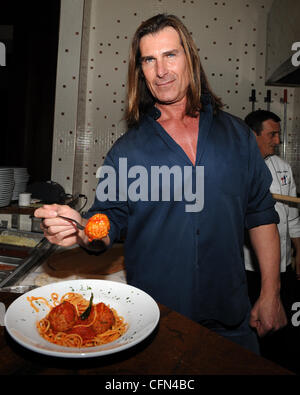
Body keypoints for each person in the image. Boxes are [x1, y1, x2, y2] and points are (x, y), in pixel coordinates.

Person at [34, 14, 287, 354]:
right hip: (152, 326)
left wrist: (271, 293)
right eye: (149, 60)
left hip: (232, 324)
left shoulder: (237, 136)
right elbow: (108, 221)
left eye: (170, 55)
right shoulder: (128, 151)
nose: (161, 71)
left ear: (190, 58)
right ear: (141, 70)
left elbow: (261, 215)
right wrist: (82, 229)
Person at [243, 110, 300, 362]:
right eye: (272, 134)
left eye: (278, 134)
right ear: (252, 135)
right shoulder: (237, 168)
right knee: (250, 333)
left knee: (282, 333)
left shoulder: (283, 168)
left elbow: (292, 217)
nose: (277, 141)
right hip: (248, 270)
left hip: (283, 267)